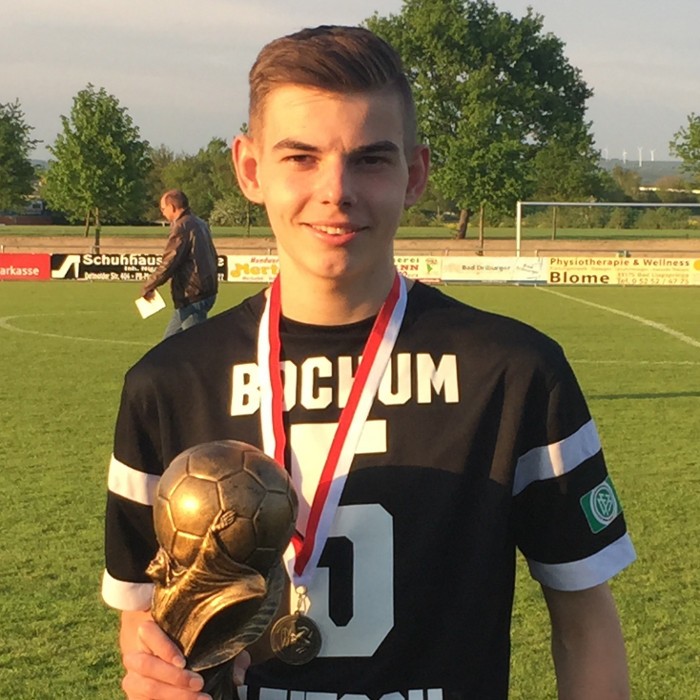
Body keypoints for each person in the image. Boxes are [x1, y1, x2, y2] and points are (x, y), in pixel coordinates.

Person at [103, 25, 636, 700]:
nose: (336, 190)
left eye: (370, 160)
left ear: (416, 174)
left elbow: (584, 625)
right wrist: (154, 669)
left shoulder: (514, 373)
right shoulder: (167, 385)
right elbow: (141, 615)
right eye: (301, 157)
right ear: (250, 169)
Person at [141, 189, 219, 338]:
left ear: (172, 207)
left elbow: (169, 261)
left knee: (195, 345)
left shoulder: (182, 227)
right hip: (203, 292)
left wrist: (149, 285)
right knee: (169, 345)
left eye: (163, 209)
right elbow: (214, 256)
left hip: (193, 295)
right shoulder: (200, 223)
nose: (162, 213)